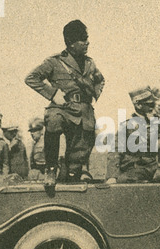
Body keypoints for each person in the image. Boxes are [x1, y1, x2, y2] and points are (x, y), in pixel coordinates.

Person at [25, 19, 105, 185]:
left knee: (79, 153)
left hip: (84, 111)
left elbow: (100, 80)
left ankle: (72, 175)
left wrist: (94, 93)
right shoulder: (55, 62)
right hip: (63, 108)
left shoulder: (90, 63)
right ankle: (51, 169)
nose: (87, 42)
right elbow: (31, 78)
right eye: (83, 39)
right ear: (71, 43)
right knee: (54, 120)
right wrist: (53, 94)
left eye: (87, 38)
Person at [106, 87, 160, 183]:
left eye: (153, 104)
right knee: (116, 183)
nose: (152, 108)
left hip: (149, 169)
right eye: (149, 104)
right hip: (129, 170)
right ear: (138, 105)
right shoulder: (127, 126)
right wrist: (112, 176)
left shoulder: (158, 123)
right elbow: (115, 150)